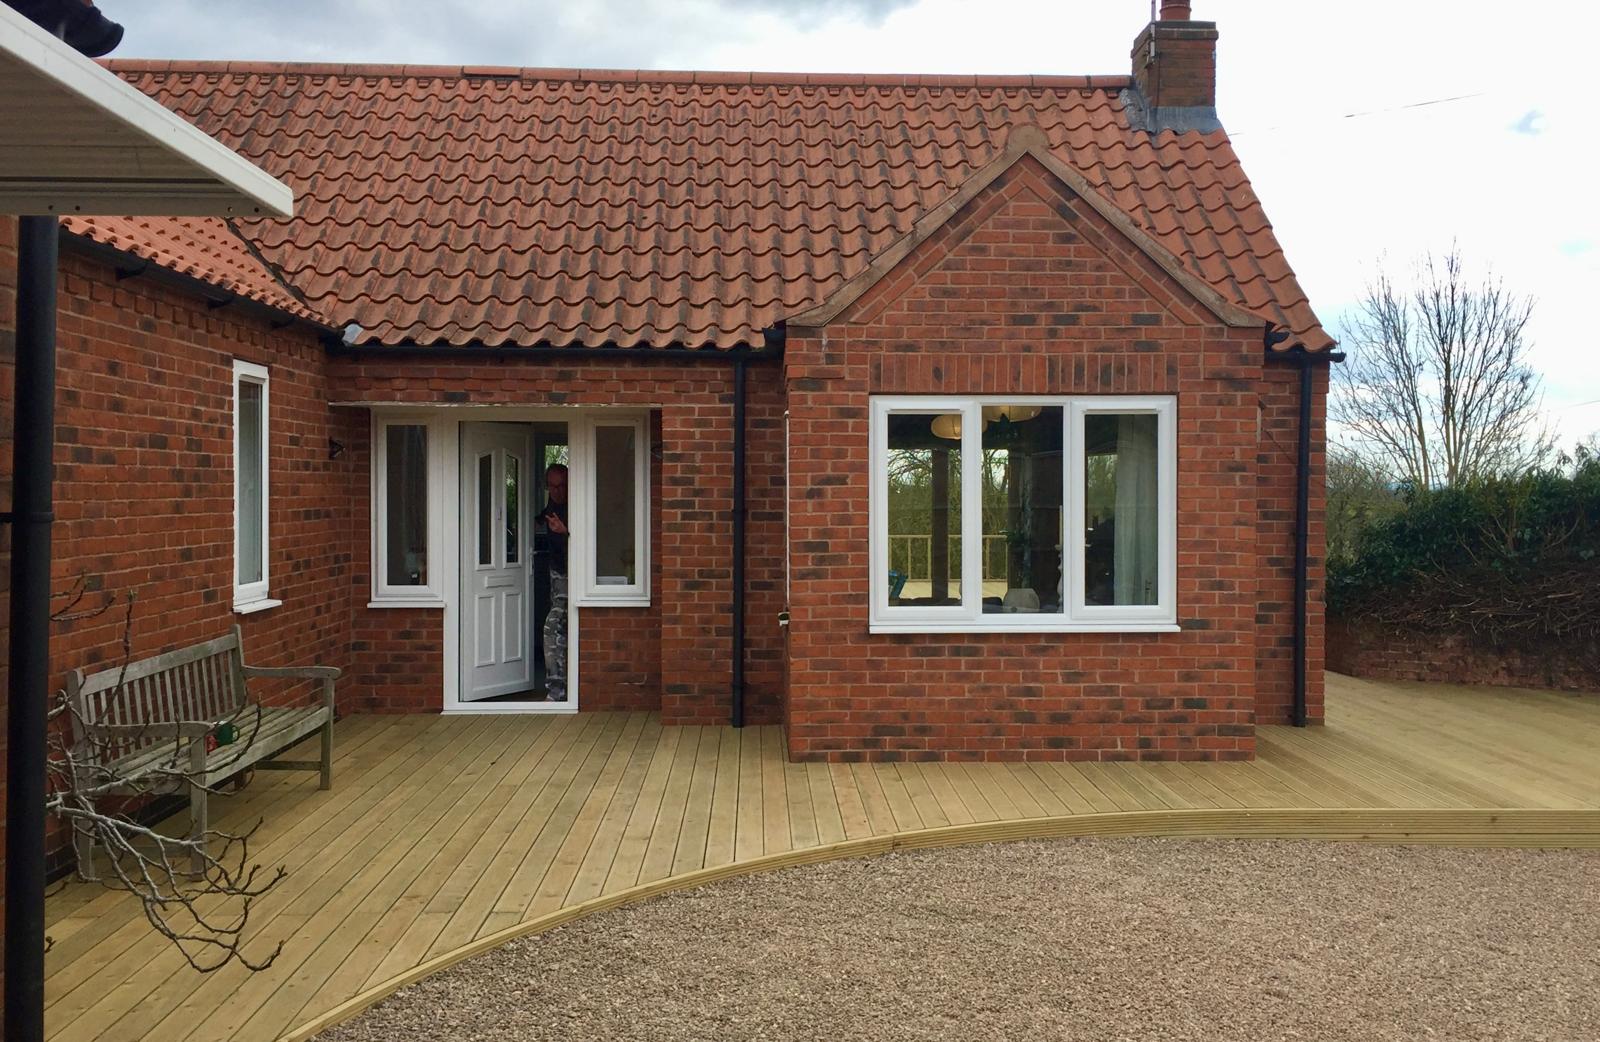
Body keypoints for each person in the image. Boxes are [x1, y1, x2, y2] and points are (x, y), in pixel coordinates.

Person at [538, 463, 569, 701]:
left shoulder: (576, 505)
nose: (556, 491)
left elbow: (587, 543)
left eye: (561, 486)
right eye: (552, 486)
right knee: (560, 630)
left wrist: (565, 532)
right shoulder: (550, 506)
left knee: (553, 626)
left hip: (573, 574)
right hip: (555, 574)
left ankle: (557, 692)